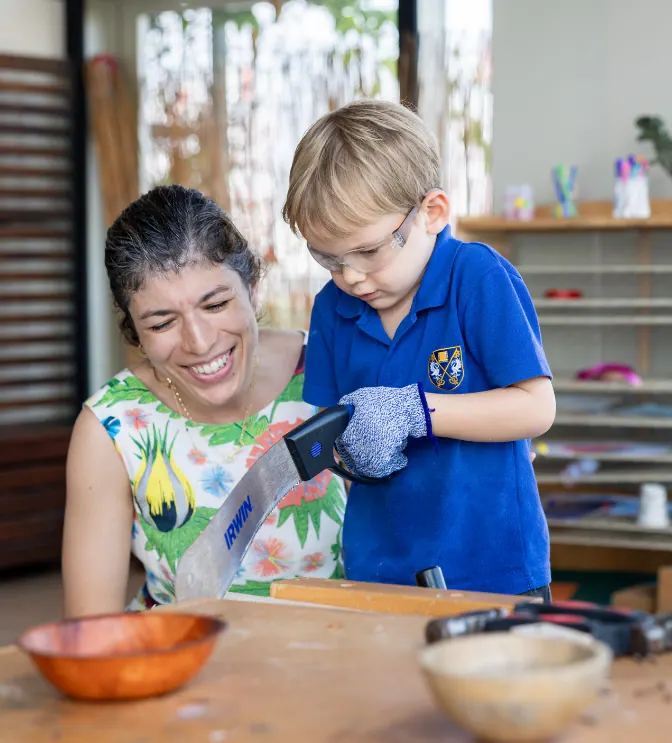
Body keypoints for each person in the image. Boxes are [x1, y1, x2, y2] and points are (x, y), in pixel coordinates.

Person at [282, 99, 556, 600]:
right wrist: (349, 455)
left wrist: (416, 413)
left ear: (431, 213)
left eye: (368, 251)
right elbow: (330, 430)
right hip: (378, 571)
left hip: (493, 568)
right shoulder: (331, 308)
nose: (351, 277)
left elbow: (536, 408)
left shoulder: (477, 278)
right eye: (329, 259)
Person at [62, 185, 346, 617]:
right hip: (179, 649)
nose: (199, 342)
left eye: (214, 305)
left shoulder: (328, 374)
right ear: (135, 334)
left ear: (252, 288)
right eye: (162, 323)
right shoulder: (111, 427)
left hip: (333, 641)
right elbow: (90, 627)